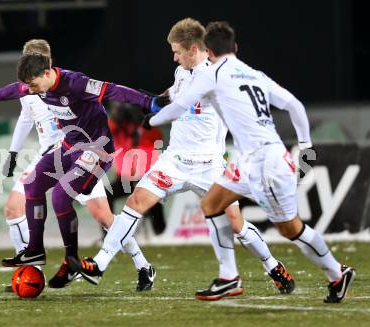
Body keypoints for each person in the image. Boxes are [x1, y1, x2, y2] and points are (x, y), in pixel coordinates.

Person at [71, 18, 295, 300]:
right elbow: (174, 93)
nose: (174, 57)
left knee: (236, 224)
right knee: (135, 201)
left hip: (210, 164)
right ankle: (100, 264)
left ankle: (273, 266)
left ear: (193, 48)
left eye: (177, 51)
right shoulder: (182, 71)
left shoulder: (218, 75)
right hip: (175, 159)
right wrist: (155, 99)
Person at [142, 21, 356, 303]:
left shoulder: (212, 74)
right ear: (235, 47)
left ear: (208, 51)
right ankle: (229, 276)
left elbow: (180, 106)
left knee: (290, 228)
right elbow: (294, 105)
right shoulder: (255, 74)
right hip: (252, 159)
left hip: (265, 163)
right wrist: (306, 148)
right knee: (212, 203)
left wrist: (151, 120)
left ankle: (337, 273)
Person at [0, 50, 167, 291]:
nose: (30, 90)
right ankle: (35, 251)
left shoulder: (76, 83)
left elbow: (112, 89)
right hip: (69, 148)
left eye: (32, 84)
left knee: (69, 201)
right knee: (33, 185)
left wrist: (148, 102)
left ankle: (76, 261)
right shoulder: (35, 87)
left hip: (96, 149)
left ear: (47, 72)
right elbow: (10, 91)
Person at [107, 102, 166, 235]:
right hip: (124, 179)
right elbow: (109, 127)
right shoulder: (117, 129)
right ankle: (109, 231)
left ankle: (160, 232)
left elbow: (157, 136)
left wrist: (140, 122)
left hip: (145, 178)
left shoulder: (145, 129)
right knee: (106, 195)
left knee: (154, 198)